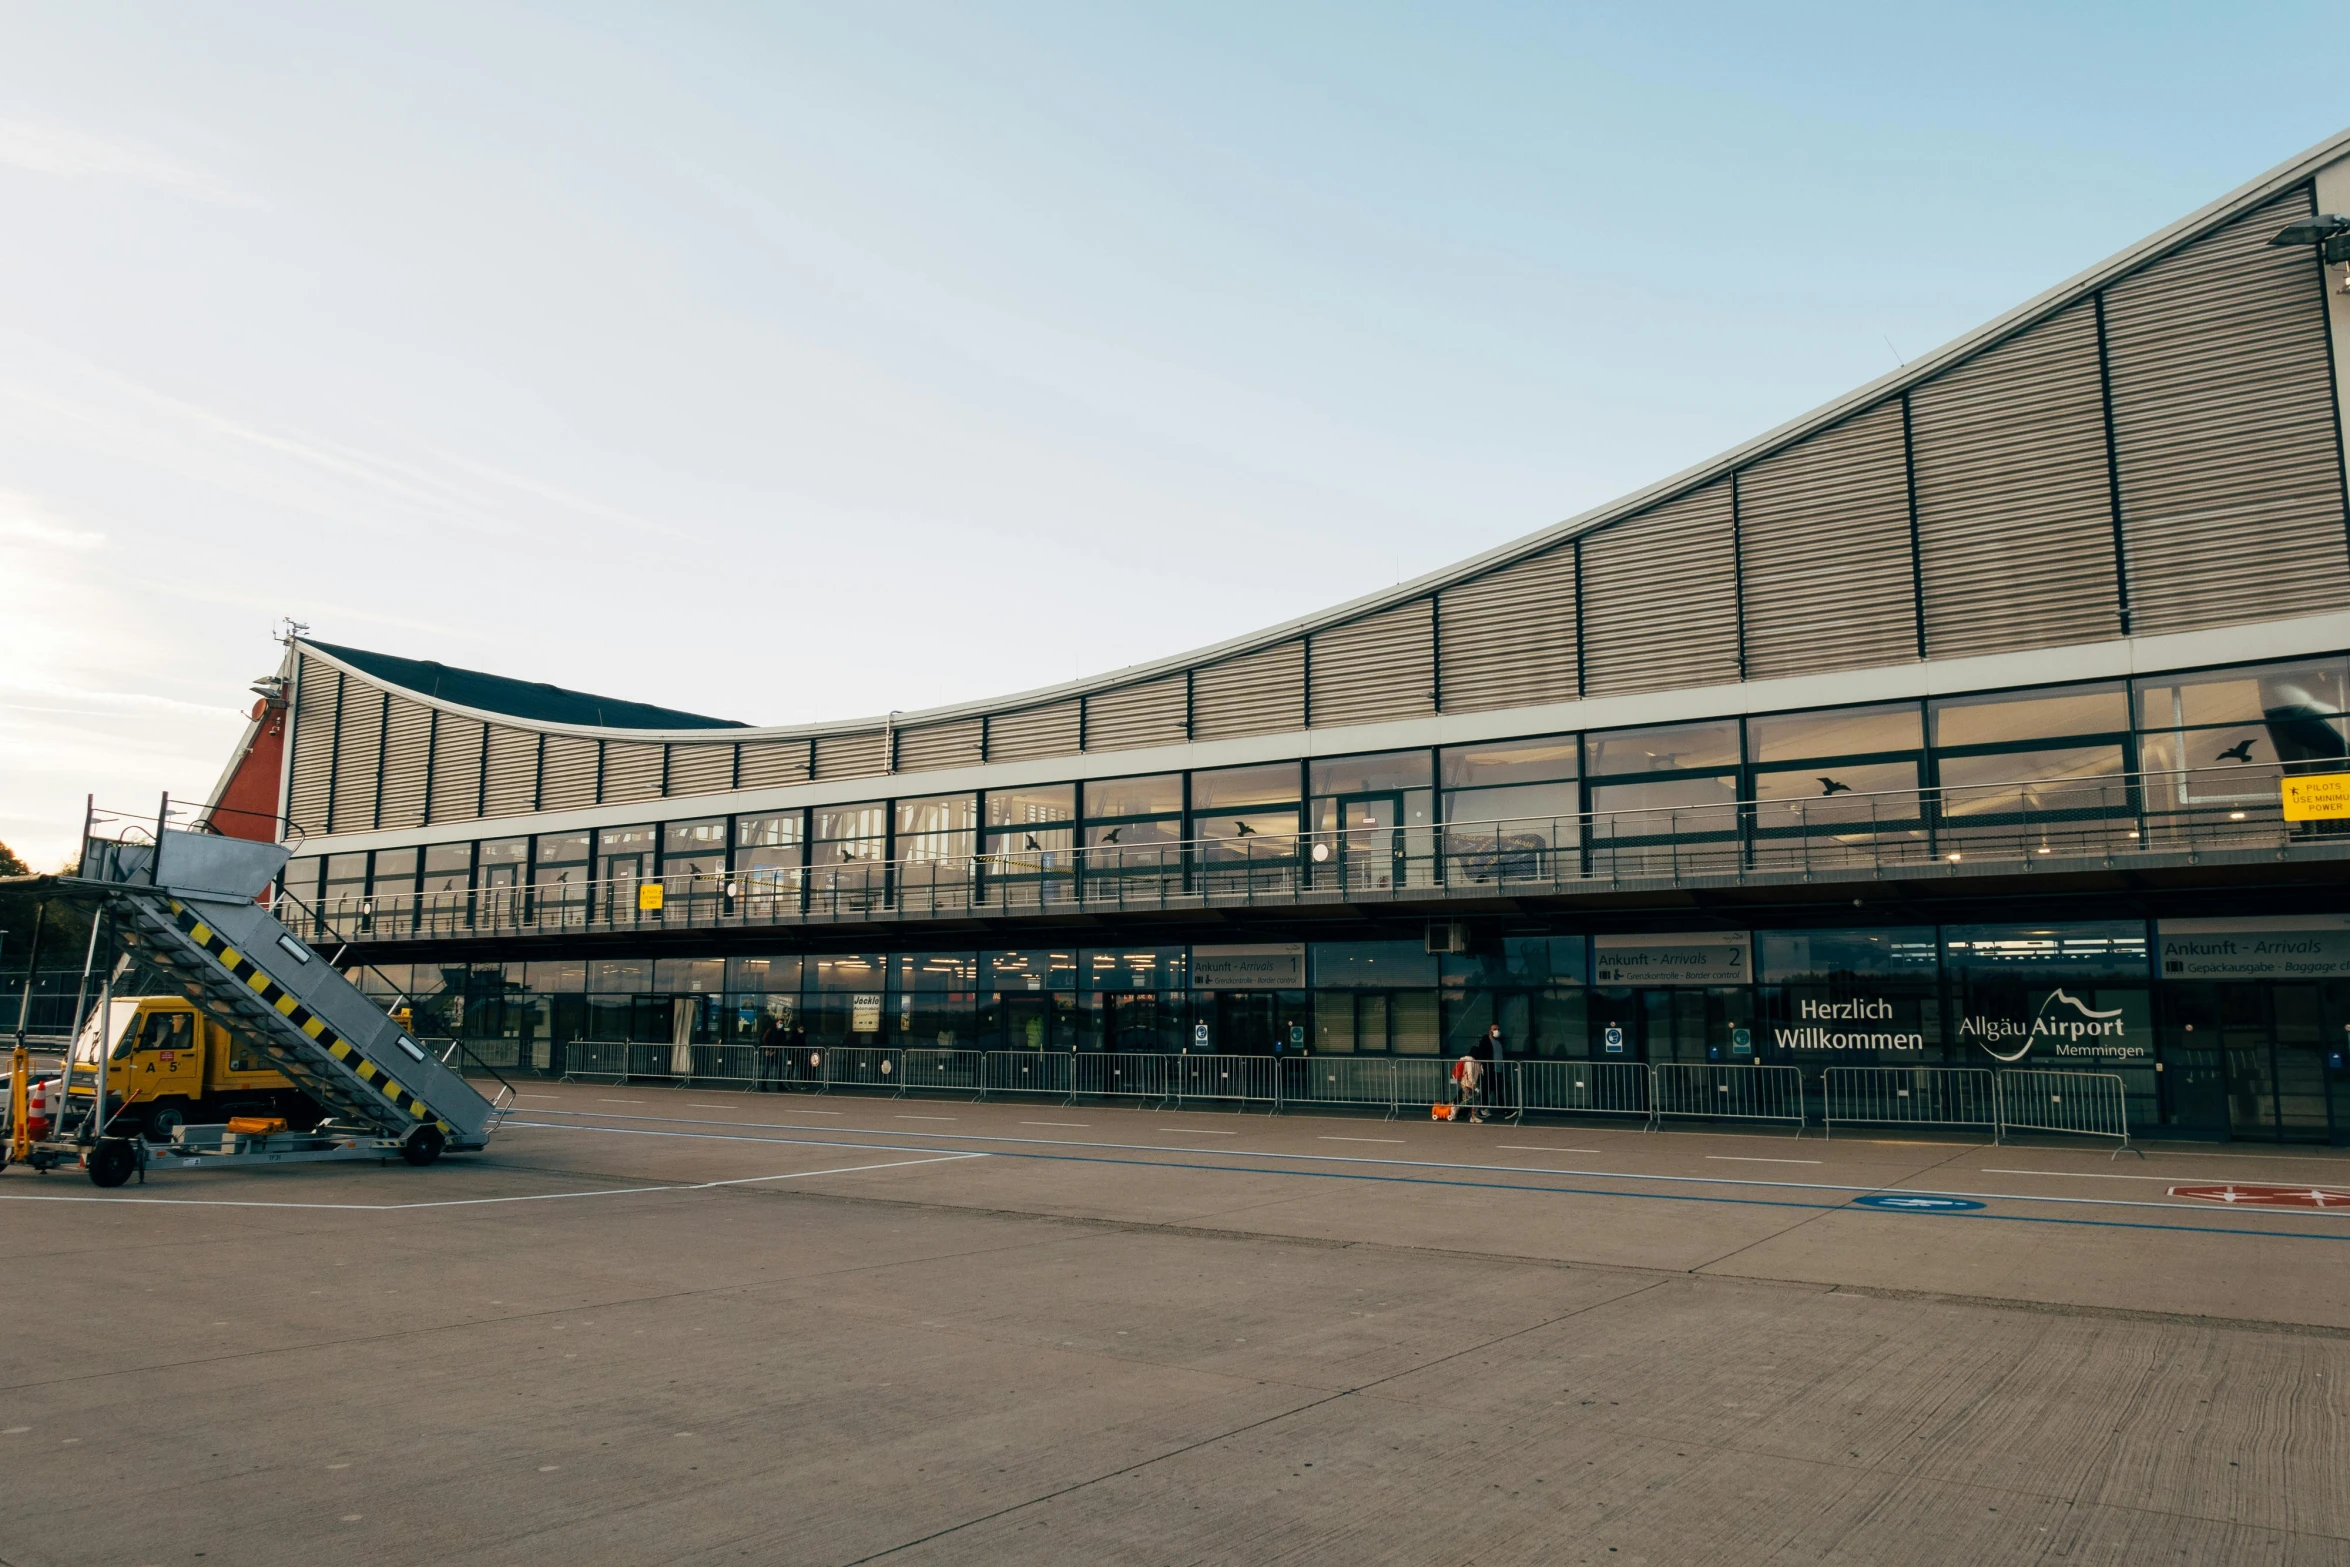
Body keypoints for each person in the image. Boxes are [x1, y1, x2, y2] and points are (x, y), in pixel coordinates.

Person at [757, 1017, 785, 1092]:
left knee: (779, 1069)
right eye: (779, 1023)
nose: (781, 1024)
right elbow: (764, 1038)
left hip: (777, 1052)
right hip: (769, 1052)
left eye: (782, 1023)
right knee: (766, 1069)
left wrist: (776, 1050)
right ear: (776, 1023)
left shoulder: (782, 1032)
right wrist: (767, 1049)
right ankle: (763, 1086)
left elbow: (782, 1042)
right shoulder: (771, 1030)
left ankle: (780, 1085)